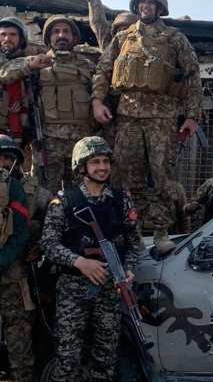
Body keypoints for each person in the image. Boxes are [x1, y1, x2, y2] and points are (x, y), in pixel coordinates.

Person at [91, 0, 202, 254]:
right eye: (141, 2)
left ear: (160, 7)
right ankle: (134, 231)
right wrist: (97, 101)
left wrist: (192, 116)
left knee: (162, 176)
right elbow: (103, 70)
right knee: (127, 177)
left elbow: (192, 76)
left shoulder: (174, 38)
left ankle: (162, 231)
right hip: (128, 116)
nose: (146, 6)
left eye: (151, 2)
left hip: (161, 117)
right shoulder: (123, 38)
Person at [40, 136, 141, 382]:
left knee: (106, 360)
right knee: (67, 359)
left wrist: (128, 270)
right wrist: (80, 262)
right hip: (73, 290)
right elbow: (48, 244)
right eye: (95, 162)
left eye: (106, 161)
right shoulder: (64, 201)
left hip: (110, 290)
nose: (102, 167)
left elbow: (134, 242)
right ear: (82, 166)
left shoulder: (122, 199)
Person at [35, 16, 98, 192]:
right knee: (46, 193)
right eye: (56, 32)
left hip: (81, 141)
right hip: (47, 141)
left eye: (66, 31)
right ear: (48, 38)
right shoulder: (37, 64)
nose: (61, 35)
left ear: (74, 37)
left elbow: (101, 96)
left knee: (81, 193)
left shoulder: (88, 66)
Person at [0, 135, 33, 382]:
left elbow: (21, 233)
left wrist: (3, 260)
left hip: (10, 272)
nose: (3, 162)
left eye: (7, 158)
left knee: (18, 330)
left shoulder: (16, 188)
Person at [0, 16, 52, 143]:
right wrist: (30, 64)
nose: (7, 39)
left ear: (21, 38)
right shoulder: (28, 63)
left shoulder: (32, 63)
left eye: (13, 35)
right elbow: (5, 72)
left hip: (23, 130)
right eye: (3, 34)